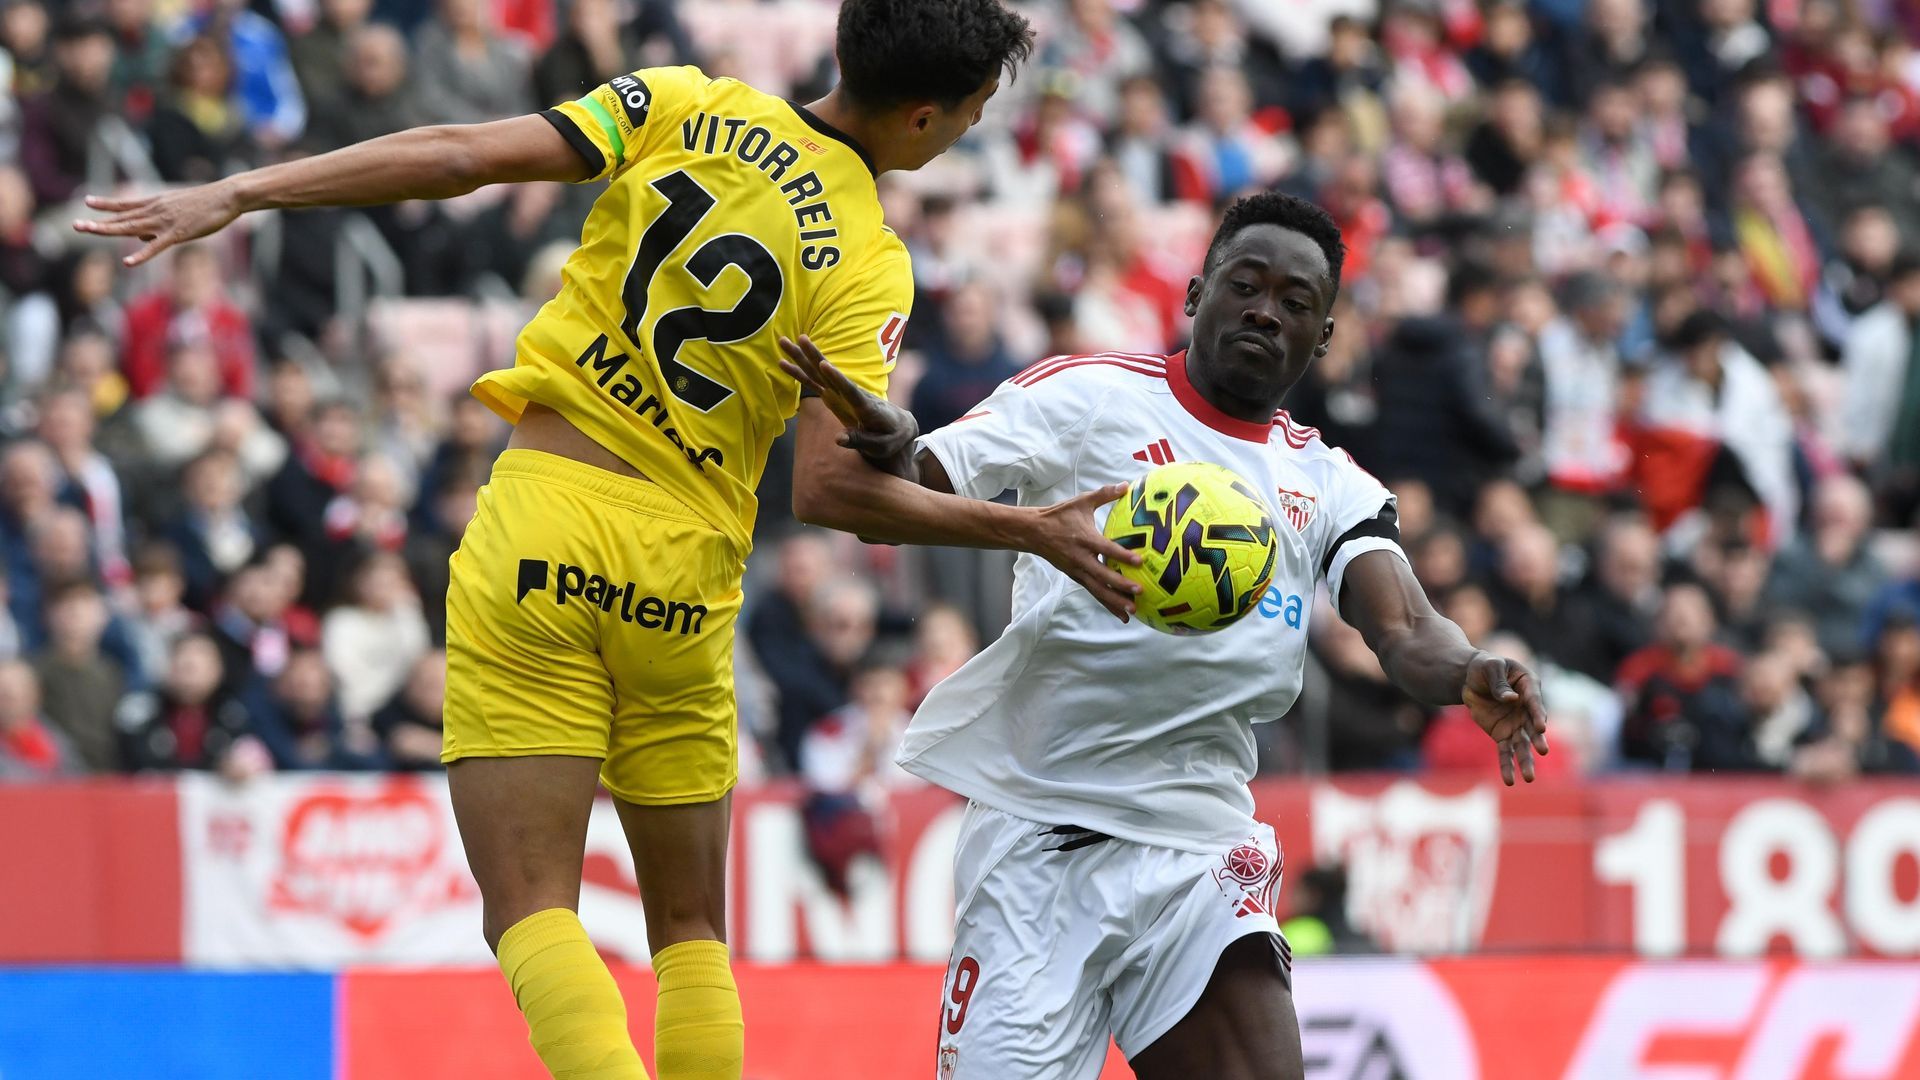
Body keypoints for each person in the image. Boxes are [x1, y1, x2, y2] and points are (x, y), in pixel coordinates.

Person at [75, 5, 1150, 1078]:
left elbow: (457, 156)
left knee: (533, 912)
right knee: (690, 933)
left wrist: (242, 190)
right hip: (684, 574)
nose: (963, 136)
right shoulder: (868, 260)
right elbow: (830, 490)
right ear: (925, 118)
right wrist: (1022, 530)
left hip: (547, 516)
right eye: (969, 117)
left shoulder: (686, 102)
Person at [784, 192, 1549, 1080]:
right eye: (1245, 285)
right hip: (1039, 839)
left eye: (1297, 303)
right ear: (1195, 295)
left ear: (1326, 338)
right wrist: (889, 440)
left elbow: (1406, 626)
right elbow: (919, 476)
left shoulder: (1326, 482)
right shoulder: (1087, 397)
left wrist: (1468, 668)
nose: (1266, 310)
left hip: (1197, 847)